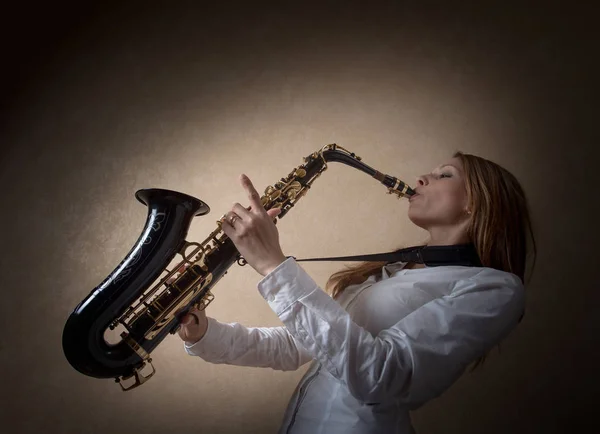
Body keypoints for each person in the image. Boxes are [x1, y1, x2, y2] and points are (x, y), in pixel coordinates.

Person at [177, 151, 537, 434]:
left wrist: (274, 265)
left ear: (476, 202)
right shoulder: (395, 269)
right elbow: (295, 346)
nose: (421, 178)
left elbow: (379, 375)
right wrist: (205, 334)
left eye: (445, 174)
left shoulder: (495, 289)